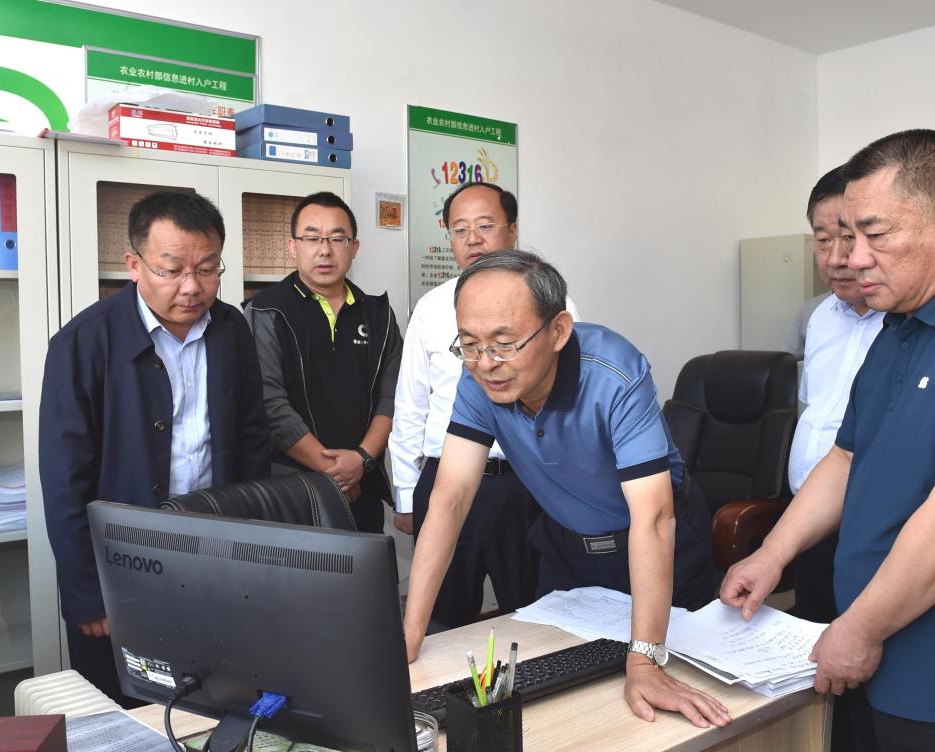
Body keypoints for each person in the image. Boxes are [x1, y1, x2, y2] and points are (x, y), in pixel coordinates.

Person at [721, 129, 935, 751]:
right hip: (870, 653)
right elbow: (846, 456)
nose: (852, 259)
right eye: (846, 237)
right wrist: (772, 554)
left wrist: (858, 630)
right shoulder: (899, 328)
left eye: (875, 235)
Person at [404, 250, 728, 727]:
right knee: (561, 699)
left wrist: (644, 661)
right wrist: (410, 633)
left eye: (504, 343)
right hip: (566, 551)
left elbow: (654, 517)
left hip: (656, 549)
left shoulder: (614, 372)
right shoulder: (479, 382)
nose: (485, 363)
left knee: (664, 708)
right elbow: (450, 499)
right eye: (469, 344)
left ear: (557, 330)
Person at [39, 190, 270, 705]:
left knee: (215, 700)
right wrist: (86, 592)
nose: (192, 287)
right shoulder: (83, 343)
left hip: (216, 559)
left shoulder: (231, 330)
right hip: (122, 569)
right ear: (134, 264)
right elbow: (63, 482)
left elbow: (253, 442)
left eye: (207, 269)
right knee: (126, 708)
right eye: (172, 270)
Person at [390, 182, 578, 629]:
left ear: (512, 231)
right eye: (460, 229)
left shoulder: (552, 303)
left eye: (485, 226)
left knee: (536, 614)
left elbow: (572, 399)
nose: (472, 239)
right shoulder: (431, 307)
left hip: (526, 481)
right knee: (440, 617)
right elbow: (411, 404)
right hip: (446, 479)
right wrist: (405, 493)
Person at [790, 167, 883, 752]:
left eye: (850, 237)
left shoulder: (904, 323)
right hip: (808, 517)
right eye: (824, 239)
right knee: (812, 660)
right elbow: (815, 412)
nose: (839, 257)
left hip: (871, 526)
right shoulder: (818, 317)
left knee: (866, 663)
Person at [245, 191, 402, 533]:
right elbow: (270, 404)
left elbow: (392, 399)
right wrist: (335, 474)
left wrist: (361, 460)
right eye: (312, 238)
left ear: (354, 247)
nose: (325, 250)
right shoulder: (266, 310)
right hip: (289, 492)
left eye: (337, 238)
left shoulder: (379, 315)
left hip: (362, 488)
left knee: (365, 567)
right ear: (292, 246)